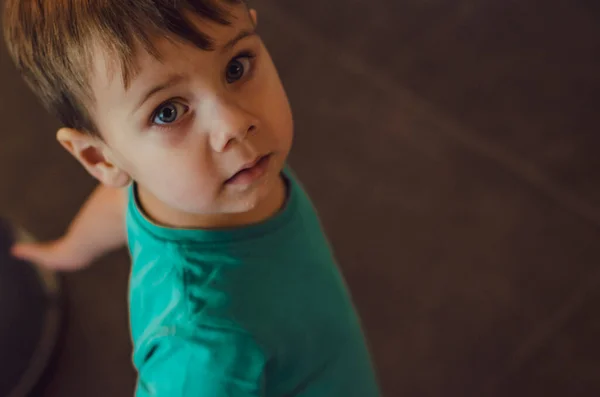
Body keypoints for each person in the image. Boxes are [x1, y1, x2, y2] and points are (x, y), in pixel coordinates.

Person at [3, 0, 380, 395]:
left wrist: (73, 247)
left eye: (236, 67)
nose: (234, 124)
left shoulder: (218, 177)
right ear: (101, 158)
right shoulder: (201, 345)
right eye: (168, 112)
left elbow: (118, 205)